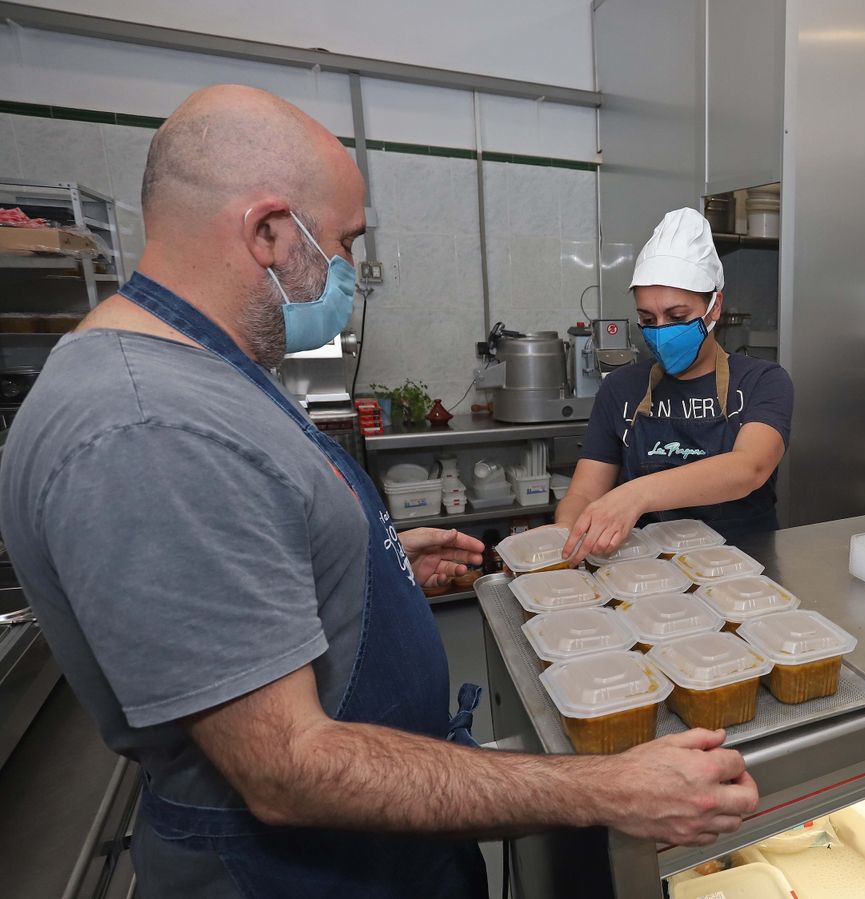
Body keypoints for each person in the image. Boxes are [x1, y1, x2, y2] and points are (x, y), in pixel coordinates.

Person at [0, 86, 756, 898]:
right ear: (266, 231)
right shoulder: (149, 429)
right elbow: (289, 769)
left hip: (374, 844)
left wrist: (367, 563)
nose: (350, 272)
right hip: (305, 871)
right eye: (343, 242)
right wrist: (604, 788)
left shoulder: (197, 377)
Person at [558, 208, 794, 560]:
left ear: (715, 307)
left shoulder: (762, 381)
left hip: (744, 573)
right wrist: (568, 534)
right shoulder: (620, 388)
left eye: (677, 316)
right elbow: (583, 494)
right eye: (647, 319)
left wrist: (636, 495)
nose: (661, 330)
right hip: (646, 577)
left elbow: (749, 468)